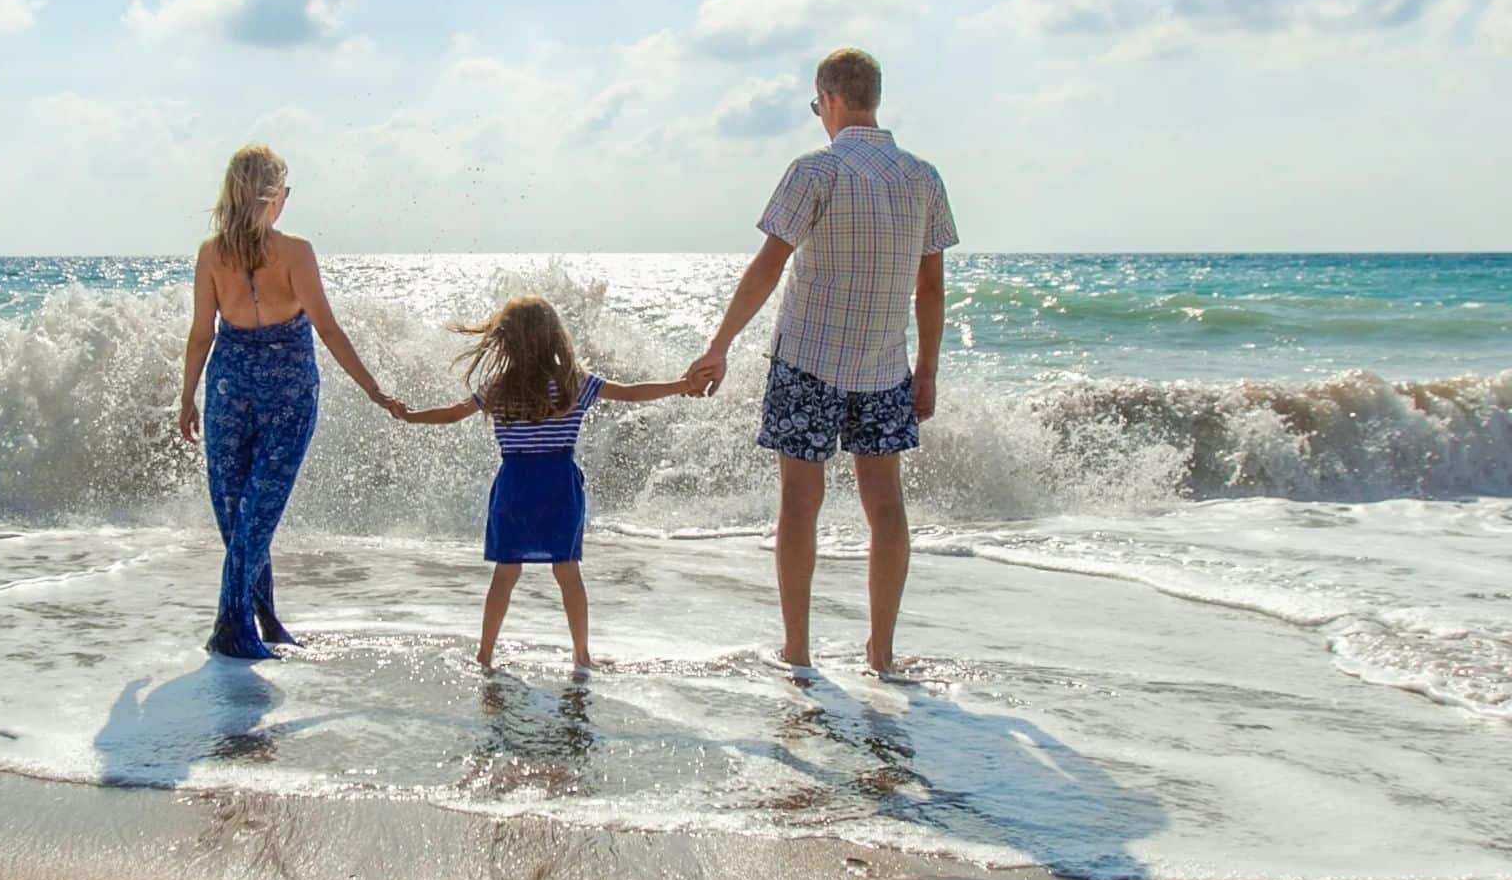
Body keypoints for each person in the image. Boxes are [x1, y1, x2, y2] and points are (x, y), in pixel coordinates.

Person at [688, 48, 957, 675]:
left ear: (830, 99)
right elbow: (933, 289)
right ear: (875, 98)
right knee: (886, 506)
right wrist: (929, 370)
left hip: (807, 361)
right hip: (886, 368)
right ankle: (881, 653)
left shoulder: (816, 172)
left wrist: (720, 344)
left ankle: (798, 650)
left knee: (800, 504)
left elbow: (767, 267)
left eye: (817, 106)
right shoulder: (923, 177)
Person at [399, 294, 707, 671]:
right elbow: (631, 392)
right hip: (559, 485)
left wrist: (410, 416)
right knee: (567, 570)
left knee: (506, 572)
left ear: (506, 340)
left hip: (514, 485)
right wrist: (680, 385)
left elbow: (450, 415)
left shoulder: (499, 386)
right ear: (554, 337)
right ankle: (581, 655)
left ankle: (485, 655)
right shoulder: (573, 382)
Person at [179, 144, 401, 658]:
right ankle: (237, 624)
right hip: (288, 391)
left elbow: (200, 335)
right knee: (253, 513)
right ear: (274, 197)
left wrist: (188, 396)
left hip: (229, 387)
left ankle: (256, 621)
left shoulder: (213, 253)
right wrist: (372, 387)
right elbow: (325, 327)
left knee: (242, 513)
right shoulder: (295, 252)